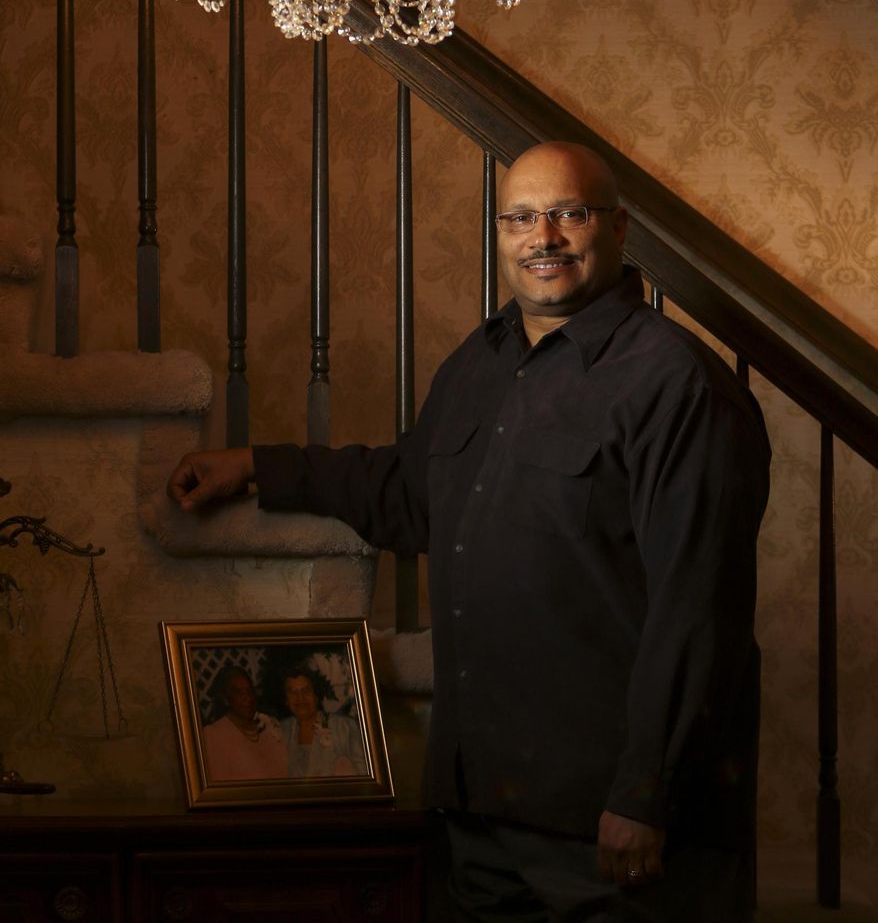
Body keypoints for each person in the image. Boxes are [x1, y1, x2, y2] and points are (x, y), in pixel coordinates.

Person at [169, 142, 770, 921]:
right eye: (520, 217)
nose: (542, 237)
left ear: (619, 228)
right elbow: (408, 496)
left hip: (610, 828)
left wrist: (645, 795)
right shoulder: (478, 365)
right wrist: (258, 464)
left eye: (568, 215)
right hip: (479, 814)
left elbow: (699, 612)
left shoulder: (675, 382)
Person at [201, 664, 287, 782]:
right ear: (225, 698)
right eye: (238, 692)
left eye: (249, 690)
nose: (247, 697)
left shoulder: (270, 724)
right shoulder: (212, 736)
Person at [279, 665, 368, 778]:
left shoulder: (344, 727)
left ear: (316, 696)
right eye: (292, 692)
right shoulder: (281, 731)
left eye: (306, 690)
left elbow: (363, 773)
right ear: (286, 700)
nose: (300, 697)